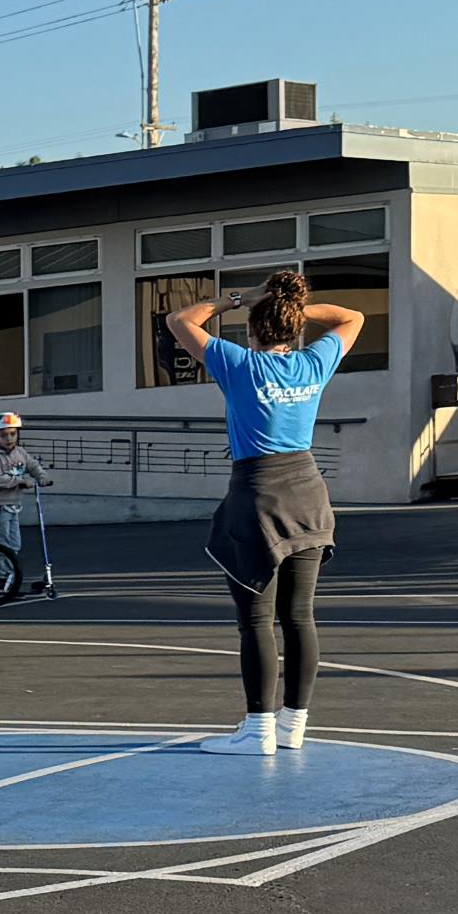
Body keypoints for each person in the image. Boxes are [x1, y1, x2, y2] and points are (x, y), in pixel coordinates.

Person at [165, 267, 359, 753]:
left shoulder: (240, 364)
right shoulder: (312, 363)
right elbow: (352, 317)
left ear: (252, 330)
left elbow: (180, 320)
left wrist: (241, 298)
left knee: (256, 619)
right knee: (299, 617)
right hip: (308, 494)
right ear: (293, 329)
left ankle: (258, 731)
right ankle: (293, 726)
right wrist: (292, 306)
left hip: (258, 494)